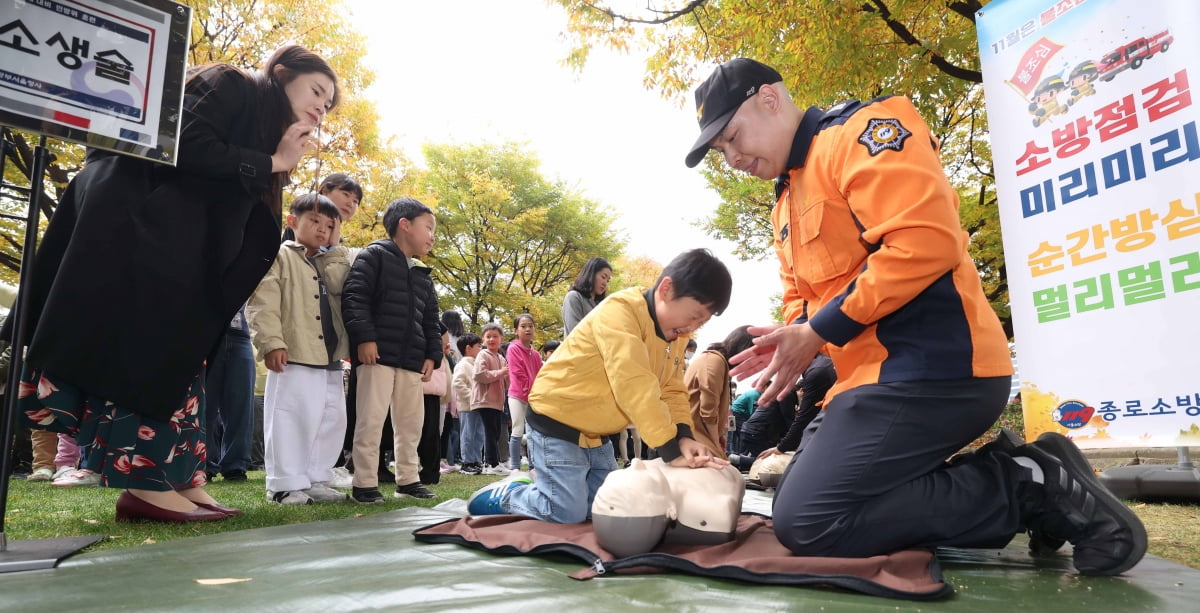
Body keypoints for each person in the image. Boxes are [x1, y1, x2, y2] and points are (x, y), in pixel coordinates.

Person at [686, 57, 1145, 575]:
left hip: (936, 368)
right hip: (866, 382)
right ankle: (1011, 478)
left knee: (809, 521)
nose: (730, 156)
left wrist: (817, 330)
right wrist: (797, 334)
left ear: (769, 99)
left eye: (731, 136)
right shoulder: (784, 201)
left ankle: (1024, 484)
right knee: (789, 488)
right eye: (719, 149)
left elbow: (926, 241)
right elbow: (802, 294)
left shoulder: (860, 133)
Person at [8, 45, 337, 522]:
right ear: (282, 74)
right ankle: (144, 485)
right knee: (146, 356)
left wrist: (276, 158)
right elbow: (182, 141)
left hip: (182, 252)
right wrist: (271, 161)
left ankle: (183, 479)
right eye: (317, 91)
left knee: (183, 364)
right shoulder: (232, 82)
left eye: (328, 104)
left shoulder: (268, 130)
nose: (321, 107)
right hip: (137, 230)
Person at [467, 249, 734, 523]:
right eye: (693, 315)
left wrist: (684, 436)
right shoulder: (621, 312)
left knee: (607, 507)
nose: (692, 327)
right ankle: (510, 494)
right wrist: (670, 449)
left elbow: (672, 389)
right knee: (566, 512)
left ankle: (548, 488)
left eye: (701, 322)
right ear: (666, 289)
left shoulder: (677, 335)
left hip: (596, 434)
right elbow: (634, 382)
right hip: (556, 421)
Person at [247, 193, 350, 504]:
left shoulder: (330, 261)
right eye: (314, 221)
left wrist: (334, 248)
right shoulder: (279, 255)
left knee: (330, 418)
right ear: (292, 222)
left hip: (329, 356)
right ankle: (283, 484)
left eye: (330, 225)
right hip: (293, 353)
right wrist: (272, 342)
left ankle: (316, 477)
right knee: (290, 416)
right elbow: (262, 301)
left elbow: (342, 287)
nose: (322, 229)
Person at [342, 197, 442, 504]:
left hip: (411, 362)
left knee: (411, 424)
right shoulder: (374, 256)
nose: (432, 236)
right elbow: (354, 297)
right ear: (405, 224)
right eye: (428, 227)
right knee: (370, 420)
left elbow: (430, 320)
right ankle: (364, 483)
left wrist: (432, 355)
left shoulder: (423, 275)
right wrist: (365, 339)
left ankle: (408, 479)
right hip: (377, 356)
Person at [684, 325, 755, 460]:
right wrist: (715, 442)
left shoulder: (716, 361)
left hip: (699, 433)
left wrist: (719, 436)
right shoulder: (715, 361)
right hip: (696, 436)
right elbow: (708, 410)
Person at [471, 323, 510, 476]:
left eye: (495, 336)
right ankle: (491, 464)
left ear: (501, 339)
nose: (492, 339)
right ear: (483, 339)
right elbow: (480, 375)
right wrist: (501, 372)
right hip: (485, 400)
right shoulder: (483, 355)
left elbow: (506, 381)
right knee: (490, 431)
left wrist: (507, 375)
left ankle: (494, 462)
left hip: (497, 401)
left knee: (495, 432)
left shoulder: (501, 357)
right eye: (488, 336)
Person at [506, 313, 543, 470]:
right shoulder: (513, 348)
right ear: (516, 330)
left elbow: (541, 373)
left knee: (533, 432)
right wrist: (530, 389)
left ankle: (534, 465)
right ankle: (515, 467)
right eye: (523, 326)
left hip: (533, 397)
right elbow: (518, 373)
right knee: (517, 429)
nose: (528, 329)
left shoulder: (535, 354)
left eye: (530, 326)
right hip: (517, 395)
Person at [418, 329, 453, 485]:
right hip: (428, 385)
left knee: (428, 432)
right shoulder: (435, 326)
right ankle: (428, 472)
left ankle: (429, 472)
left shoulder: (434, 325)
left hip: (427, 384)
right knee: (428, 432)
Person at [452, 333, 484, 475]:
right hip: (467, 406)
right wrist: (472, 397)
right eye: (478, 346)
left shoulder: (476, 364)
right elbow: (457, 383)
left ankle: (476, 460)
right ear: (468, 348)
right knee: (468, 434)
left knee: (478, 434)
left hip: (479, 406)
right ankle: (467, 462)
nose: (481, 349)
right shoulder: (463, 364)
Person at [561, 257, 612, 336]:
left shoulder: (601, 305)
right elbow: (575, 332)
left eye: (607, 280)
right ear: (591, 274)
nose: (605, 283)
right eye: (603, 277)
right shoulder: (574, 297)